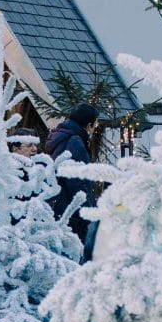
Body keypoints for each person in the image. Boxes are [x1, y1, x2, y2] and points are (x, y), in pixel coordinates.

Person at [44, 103, 99, 244]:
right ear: (89, 124)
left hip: (60, 204)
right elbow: (78, 179)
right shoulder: (75, 141)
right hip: (72, 209)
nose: (96, 127)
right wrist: (87, 210)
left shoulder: (61, 136)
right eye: (95, 123)